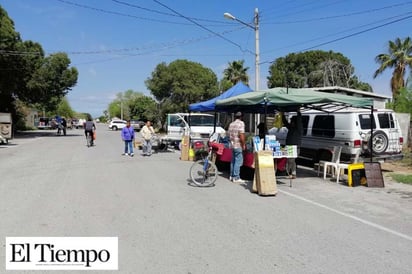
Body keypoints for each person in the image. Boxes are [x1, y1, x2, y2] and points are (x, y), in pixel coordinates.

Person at [282, 108, 303, 179]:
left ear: (295, 122)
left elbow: (299, 121)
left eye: (291, 121)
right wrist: (282, 114)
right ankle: (292, 173)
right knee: (290, 160)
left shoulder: (298, 128)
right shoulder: (291, 128)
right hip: (289, 146)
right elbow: (285, 122)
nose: (290, 122)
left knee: (291, 160)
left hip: (295, 147)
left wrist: (298, 112)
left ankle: (291, 173)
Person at [228, 111, 246, 183]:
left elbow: (228, 134)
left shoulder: (231, 124)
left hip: (232, 144)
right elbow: (241, 135)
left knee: (233, 161)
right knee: (238, 161)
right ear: (241, 117)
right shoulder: (241, 123)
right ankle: (236, 177)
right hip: (238, 144)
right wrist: (243, 144)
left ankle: (231, 175)